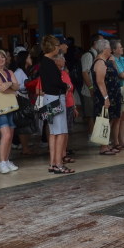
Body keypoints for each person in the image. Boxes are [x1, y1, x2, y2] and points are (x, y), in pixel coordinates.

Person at [38, 35, 74, 174]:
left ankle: (52, 163)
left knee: (53, 132)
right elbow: (55, 82)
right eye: (57, 45)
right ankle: (59, 163)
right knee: (60, 132)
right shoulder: (49, 63)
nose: (59, 47)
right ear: (52, 47)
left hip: (49, 98)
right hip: (56, 99)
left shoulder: (43, 62)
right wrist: (66, 86)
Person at [0, 48, 20, 174]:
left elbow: (17, 86)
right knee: (6, 134)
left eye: (3, 57)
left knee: (10, 135)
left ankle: (7, 160)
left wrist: (9, 85)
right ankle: (1, 162)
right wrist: (11, 85)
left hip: (10, 105)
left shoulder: (9, 71)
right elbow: (1, 88)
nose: (1, 59)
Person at [91, 38, 122, 155]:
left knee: (109, 119)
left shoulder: (107, 61)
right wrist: (106, 98)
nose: (110, 50)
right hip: (104, 97)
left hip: (112, 95)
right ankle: (103, 147)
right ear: (104, 49)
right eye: (109, 48)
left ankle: (107, 144)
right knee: (104, 120)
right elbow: (100, 82)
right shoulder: (99, 62)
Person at [11, 49, 38, 156]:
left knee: (26, 123)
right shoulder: (18, 72)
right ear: (24, 59)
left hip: (25, 100)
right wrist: (27, 85)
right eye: (29, 57)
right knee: (23, 125)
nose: (31, 59)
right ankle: (24, 148)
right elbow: (15, 87)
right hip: (21, 101)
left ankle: (25, 147)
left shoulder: (24, 71)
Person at [81, 33, 104, 133]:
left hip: (98, 89)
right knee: (91, 114)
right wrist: (90, 88)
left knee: (99, 113)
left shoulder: (98, 55)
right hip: (89, 90)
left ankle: (98, 135)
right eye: (102, 41)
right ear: (95, 43)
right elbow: (85, 73)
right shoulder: (88, 55)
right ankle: (91, 135)